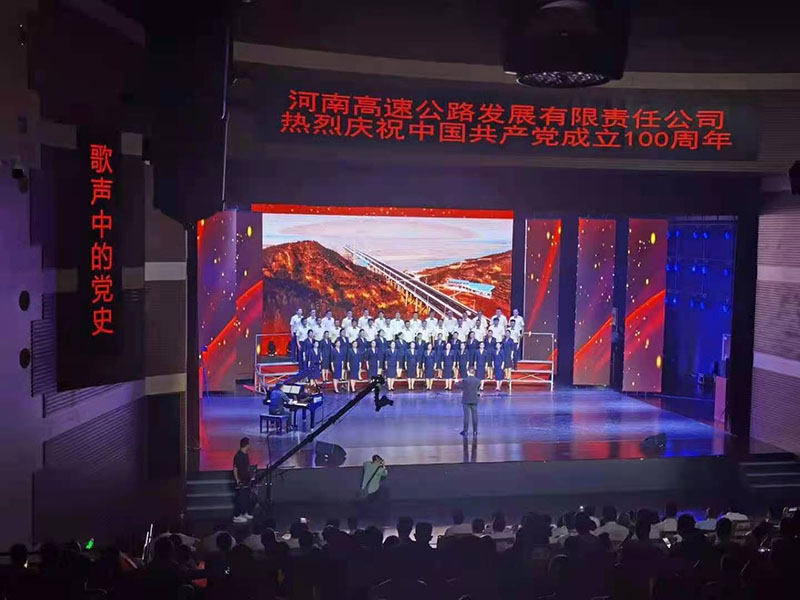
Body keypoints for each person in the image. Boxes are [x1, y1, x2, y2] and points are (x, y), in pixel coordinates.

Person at [233, 437, 254, 523]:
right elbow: (235, 468)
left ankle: (244, 512)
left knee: (246, 498)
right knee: (240, 498)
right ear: (246, 445)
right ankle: (237, 516)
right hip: (241, 480)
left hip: (246, 480)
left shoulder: (246, 454)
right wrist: (237, 480)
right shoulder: (238, 456)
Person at [460, 367, 481, 436]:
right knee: (475, 416)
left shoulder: (465, 380)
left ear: (468, 372)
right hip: (474, 399)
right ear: (474, 372)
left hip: (466, 400)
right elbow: (478, 388)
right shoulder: (478, 380)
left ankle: (465, 431)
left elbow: (460, 386)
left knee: (466, 416)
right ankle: (475, 431)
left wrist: (456, 382)